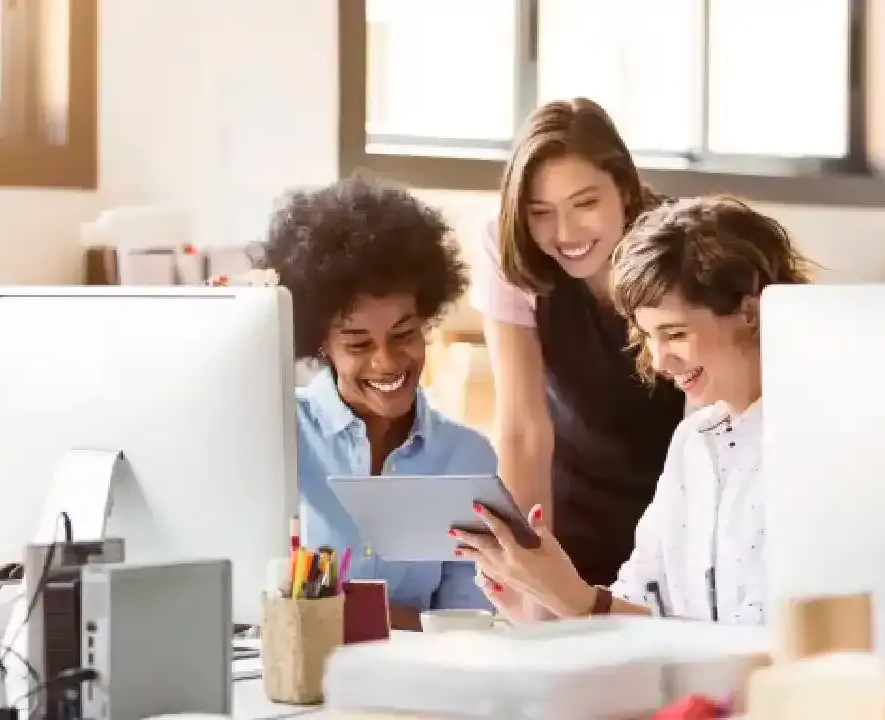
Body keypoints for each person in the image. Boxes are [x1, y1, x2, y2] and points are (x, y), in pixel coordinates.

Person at [454, 195, 812, 624]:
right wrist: (541, 600)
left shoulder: (810, 443)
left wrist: (575, 599)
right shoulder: (694, 442)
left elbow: (763, 641)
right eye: (649, 337)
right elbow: (644, 612)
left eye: (675, 333)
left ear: (749, 314)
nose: (659, 362)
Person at [263, 176, 497, 630]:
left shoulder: (466, 458)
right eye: (357, 343)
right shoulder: (276, 433)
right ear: (321, 344)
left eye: (404, 334)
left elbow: (468, 623)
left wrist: (334, 611)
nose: (386, 361)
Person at [470, 98, 687, 587]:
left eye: (585, 203)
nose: (565, 233)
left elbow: (707, 422)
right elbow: (523, 429)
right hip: (572, 507)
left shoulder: (680, 248)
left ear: (626, 192)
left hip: (675, 501)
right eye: (540, 212)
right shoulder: (507, 252)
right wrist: (524, 565)